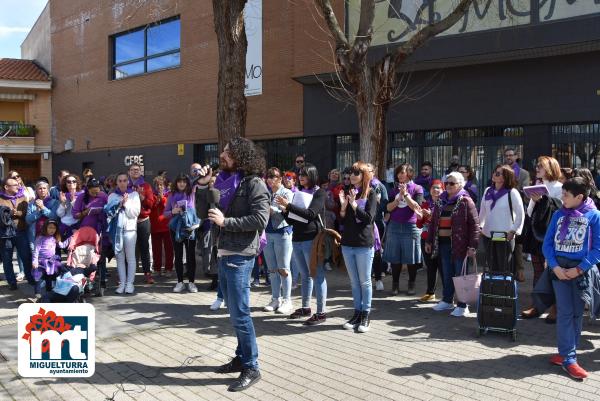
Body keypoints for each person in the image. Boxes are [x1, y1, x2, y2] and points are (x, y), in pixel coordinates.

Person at [195, 137, 270, 392]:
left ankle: (252, 366)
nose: (222, 155)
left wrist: (226, 222)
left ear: (240, 157)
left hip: (241, 253)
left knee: (240, 314)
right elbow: (200, 213)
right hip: (224, 250)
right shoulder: (224, 183)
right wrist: (203, 187)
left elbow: (260, 219)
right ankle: (241, 357)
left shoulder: (254, 183)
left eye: (227, 152)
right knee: (234, 311)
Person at [542, 177, 600, 380]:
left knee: (576, 314)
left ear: (579, 197)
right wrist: (555, 267)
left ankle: (567, 353)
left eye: (566, 195)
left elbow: (597, 249)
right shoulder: (558, 214)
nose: (562, 197)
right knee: (566, 313)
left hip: (581, 273)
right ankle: (569, 359)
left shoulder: (594, 216)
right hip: (560, 272)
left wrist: (580, 269)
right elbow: (547, 244)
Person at [277, 163, 328, 325]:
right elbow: (292, 219)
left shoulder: (319, 192)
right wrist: (285, 211)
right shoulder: (298, 193)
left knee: (317, 275)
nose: (301, 177)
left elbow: (311, 214)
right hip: (297, 238)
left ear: (312, 176)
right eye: (300, 174)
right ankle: (306, 307)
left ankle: (321, 312)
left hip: (312, 239)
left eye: (304, 174)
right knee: (304, 275)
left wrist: (289, 206)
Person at [426, 171, 480, 317]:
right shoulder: (440, 200)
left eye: (452, 183)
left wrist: (472, 246)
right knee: (447, 273)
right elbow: (433, 223)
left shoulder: (465, 201)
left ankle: (463, 305)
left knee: (460, 274)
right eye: (447, 183)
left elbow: (475, 225)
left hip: (460, 244)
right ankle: (447, 300)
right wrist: (429, 240)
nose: (448, 186)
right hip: (443, 244)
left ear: (460, 185)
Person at [521, 156, 563, 321]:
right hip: (537, 235)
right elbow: (530, 213)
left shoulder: (560, 187)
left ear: (551, 168)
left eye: (541, 166)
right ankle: (536, 306)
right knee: (538, 271)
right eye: (537, 165)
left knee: (553, 271)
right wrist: (533, 200)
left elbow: (561, 209)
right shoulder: (538, 185)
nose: (537, 168)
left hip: (553, 235)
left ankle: (556, 308)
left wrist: (544, 200)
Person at [339, 161, 377, 332]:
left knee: (365, 282)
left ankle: (365, 315)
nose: (352, 176)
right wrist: (343, 207)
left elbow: (369, 218)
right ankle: (356, 313)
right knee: (354, 282)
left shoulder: (371, 193)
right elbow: (342, 221)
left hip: (363, 243)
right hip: (347, 243)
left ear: (364, 176)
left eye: (356, 173)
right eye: (351, 173)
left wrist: (354, 205)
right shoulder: (348, 192)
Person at [383, 164, 424, 296]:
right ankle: (395, 285)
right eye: (399, 173)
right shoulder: (393, 189)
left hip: (410, 226)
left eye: (403, 172)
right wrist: (397, 199)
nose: (400, 175)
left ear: (409, 174)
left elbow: (416, 208)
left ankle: (411, 284)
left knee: (411, 258)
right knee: (395, 259)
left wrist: (405, 194)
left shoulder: (417, 188)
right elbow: (388, 208)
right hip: (394, 226)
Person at [478, 165, 525, 273]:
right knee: (491, 265)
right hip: (488, 234)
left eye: (498, 173)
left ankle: (505, 288)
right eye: (495, 172)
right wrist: (480, 226)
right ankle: (493, 288)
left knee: (504, 266)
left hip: (504, 235)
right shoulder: (487, 191)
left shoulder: (512, 192)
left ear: (505, 177)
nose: (494, 174)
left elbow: (520, 214)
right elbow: (483, 212)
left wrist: (513, 231)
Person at [262, 167, 294, 315]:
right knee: (272, 269)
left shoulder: (286, 192)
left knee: (284, 268)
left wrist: (274, 209)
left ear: (280, 179)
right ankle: (276, 298)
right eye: (268, 176)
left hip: (282, 232)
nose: (270, 179)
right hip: (268, 233)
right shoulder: (265, 192)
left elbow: (288, 210)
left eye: (273, 176)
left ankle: (287, 300)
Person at [105, 173, 141, 294]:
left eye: (124, 180)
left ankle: (130, 284)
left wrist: (125, 204)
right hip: (116, 232)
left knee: (130, 258)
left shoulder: (134, 195)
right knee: (119, 259)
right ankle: (122, 283)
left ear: (128, 182)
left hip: (130, 230)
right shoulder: (112, 196)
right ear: (117, 182)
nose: (122, 183)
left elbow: (134, 213)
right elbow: (109, 214)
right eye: (120, 181)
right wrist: (118, 205)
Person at [164, 174, 197, 293]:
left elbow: (197, 181)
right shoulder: (171, 195)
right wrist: (173, 211)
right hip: (175, 228)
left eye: (184, 182)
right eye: (179, 182)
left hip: (189, 228)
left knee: (190, 255)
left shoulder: (191, 193)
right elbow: (165, 213)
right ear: (176, 183)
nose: (182, 184)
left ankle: (192, 282)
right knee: (177, 255)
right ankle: (180, 282)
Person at [0, 176, 32, 291]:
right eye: (15, 185)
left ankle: (30, 278)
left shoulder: (23, 198)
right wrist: (8, 214)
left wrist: (18, 213)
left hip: (20, 231)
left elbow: (26, 213)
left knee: (26, 256)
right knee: (7, 259)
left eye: (18, 184)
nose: (18, 186)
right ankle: (12, 282)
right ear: (6, 187)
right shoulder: (0, 198)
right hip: (5, 234)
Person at [504, 147, 531, 282]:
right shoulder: (501, 171)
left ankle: (520, 269)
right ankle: (505, 269)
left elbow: (526, 192)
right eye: (507, 155)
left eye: (511, 155)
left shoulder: (523, 173)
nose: (509, 157)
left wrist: (513, 190)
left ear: (516, 157)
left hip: (518, 209)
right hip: (504, 210)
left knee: (518, 242)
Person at [128, 163, 155, 284]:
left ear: (140, 172)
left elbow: (151, 204)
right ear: (129, 172)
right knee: (129, 249)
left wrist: (141, 195)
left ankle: (147, 273)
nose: (135, 171)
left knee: (144, 248)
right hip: (129, 221)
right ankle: (127, 274)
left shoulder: (146, 186)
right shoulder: (125, 184)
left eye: (137, 170)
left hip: (143, 221)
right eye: (133, 170)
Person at [418, 179, 444, 302]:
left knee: (443, 267)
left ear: (442, 189)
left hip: (440, 239)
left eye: (438, 187)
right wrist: (420, 216)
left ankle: (447, 295)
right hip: (426, 238)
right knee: (430, 266)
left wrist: (431, 215)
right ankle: (430, 292)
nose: (435, 190)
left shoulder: (445, 203)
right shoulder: (425, 204)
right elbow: (419, 224)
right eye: (433, 187)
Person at [367, 163, 388, 291]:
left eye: (369, 171)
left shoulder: (379, 185)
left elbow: (385, 204)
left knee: (376, 251)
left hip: (376, 223)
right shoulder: (360, 185)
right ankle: (366, 279)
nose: (366, 173)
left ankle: (378, 278)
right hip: (363, 223)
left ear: (373, 172)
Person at [32, 220, 65, 300]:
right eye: (50, 227)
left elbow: (62, 246)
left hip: (51, 262)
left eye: (54, 228)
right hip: (40, 261)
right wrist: (35, 261)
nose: (52, 230)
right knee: (37, 277)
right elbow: (36, 250)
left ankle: (48, 293)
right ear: (45, 228)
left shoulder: (54, 238)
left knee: (49, 278)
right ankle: (38, 294)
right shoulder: (40, 238)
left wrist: (72, 238)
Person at [25, 180, 59, 254]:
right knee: (35, 258)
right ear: (36, 190)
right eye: (40, 188)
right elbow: (28, 220)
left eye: (44, 188)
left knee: (49, 257)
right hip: (35, 235)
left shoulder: (54, 202)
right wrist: (38, 212)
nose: (42, 190)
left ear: (47, 190)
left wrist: (43, 207)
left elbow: (54, 217)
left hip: (50, 236)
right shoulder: (31, 204)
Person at [150, 176, 173, 277]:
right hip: (155, 226)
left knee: (169, 249)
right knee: (156, 250)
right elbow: (150, 207)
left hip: (167, 226)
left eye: (161, 185)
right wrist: (157, 200)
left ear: (165, 186)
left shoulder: (169, 194)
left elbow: (169, 206)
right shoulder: (152, 195)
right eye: (157, 185)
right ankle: (157, 269)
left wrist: (162, 198)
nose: (159, 187)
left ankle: (168, 269)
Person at [56, 174, 83, 241]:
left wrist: (73, 201)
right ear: (65, 184)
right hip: (63, 225)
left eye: (74, 181)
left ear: (77, 183)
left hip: (76, 225)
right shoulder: (62, 195)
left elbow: (81, 212)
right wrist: (63, 202)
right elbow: (59, 214)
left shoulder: (82, 195)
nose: (71, 183)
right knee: (61, 247)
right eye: (69, 181)